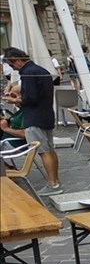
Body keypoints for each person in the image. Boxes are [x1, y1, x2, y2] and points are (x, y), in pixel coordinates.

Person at [2, 47, 62, 194]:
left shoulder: (28, 73)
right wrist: (20, 99)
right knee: (49, 150)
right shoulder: (40, 69)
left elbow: (31, 98)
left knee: (43, 151)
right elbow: (37, 95)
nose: (12, 68)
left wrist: (14, 100)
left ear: (17, 60)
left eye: (11, 65)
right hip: (46, 114)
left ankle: (52, 184)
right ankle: (55, 181)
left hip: (34, 117)